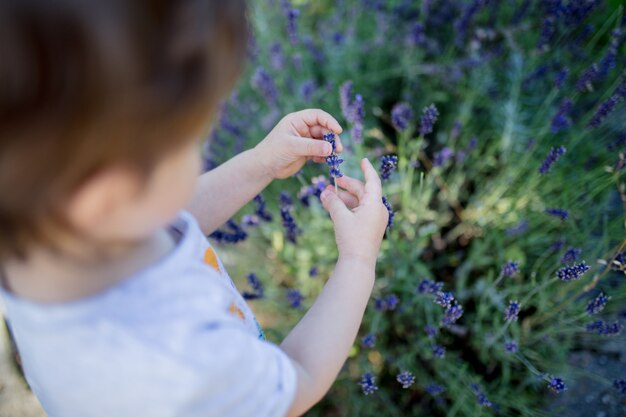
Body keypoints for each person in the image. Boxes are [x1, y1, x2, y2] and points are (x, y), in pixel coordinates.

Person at [0, 1, 389, 416]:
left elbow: (167, 223)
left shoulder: (40, 238)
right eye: (189, 140)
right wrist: (357, 260)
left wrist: (259, 163)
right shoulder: (185, 358)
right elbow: (299, 381)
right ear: (112, 189)